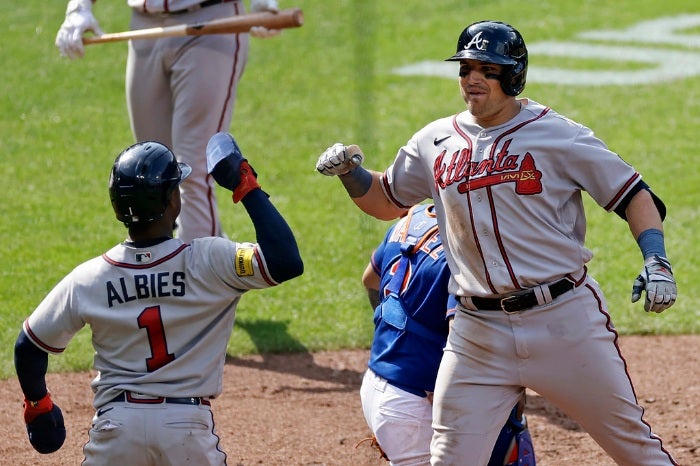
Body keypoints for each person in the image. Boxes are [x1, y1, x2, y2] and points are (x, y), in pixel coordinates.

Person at [315, 20, 678, 466]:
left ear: (513, 76)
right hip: (476, 334)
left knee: (635, 449)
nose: (472, 78)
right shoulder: (434, 141)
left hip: (562, 322)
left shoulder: (558, 134)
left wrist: (656, 259)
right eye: (466, 67)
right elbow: (386, 200)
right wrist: (351, 174)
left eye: (487, 69)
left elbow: (634, 194)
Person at [14, 132, 303, 464]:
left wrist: (39, 407)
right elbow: (285, 261)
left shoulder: (90, 277)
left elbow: (29, 346)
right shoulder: (210, 261)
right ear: (172, 202)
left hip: (116, 429)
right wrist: (245, 185)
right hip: (186, 430)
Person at [55, 0, 281, 243]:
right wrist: (79, 8)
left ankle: (199, 274)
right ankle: (162, 273)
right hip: (144, 27)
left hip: (210, 23)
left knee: (194, 169)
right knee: (150, 169)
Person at [359, 203, 535, 466]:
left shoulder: (412, 221)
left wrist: (402, 346)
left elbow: (370, 280)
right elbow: (462, 341)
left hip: (378, 387)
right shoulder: (466, 254)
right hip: (415, 411)